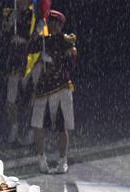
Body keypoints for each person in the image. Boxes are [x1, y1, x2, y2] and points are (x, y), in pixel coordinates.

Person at [28, 10, 77, 174]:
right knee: (37, 125)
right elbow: (29, 48)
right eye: (50, 22)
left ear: (61, 25)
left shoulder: (66, 41)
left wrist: (54, 60)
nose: (54, 26)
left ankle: (63, 160)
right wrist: (37, 32)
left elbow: (71, 65)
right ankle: (41, 158)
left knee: (61, 127)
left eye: (57, 23)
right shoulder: (43, 41)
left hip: (60, 88)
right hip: (43, 89)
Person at [1, 0, 36, 145]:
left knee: (31, 97)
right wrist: (10, 21)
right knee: (10, 98)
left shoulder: (34, 14)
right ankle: (14, 127)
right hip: (14, 57)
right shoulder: (10, 12)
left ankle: (32, 130)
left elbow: (36, 36)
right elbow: (4, 32)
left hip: (29, 56)